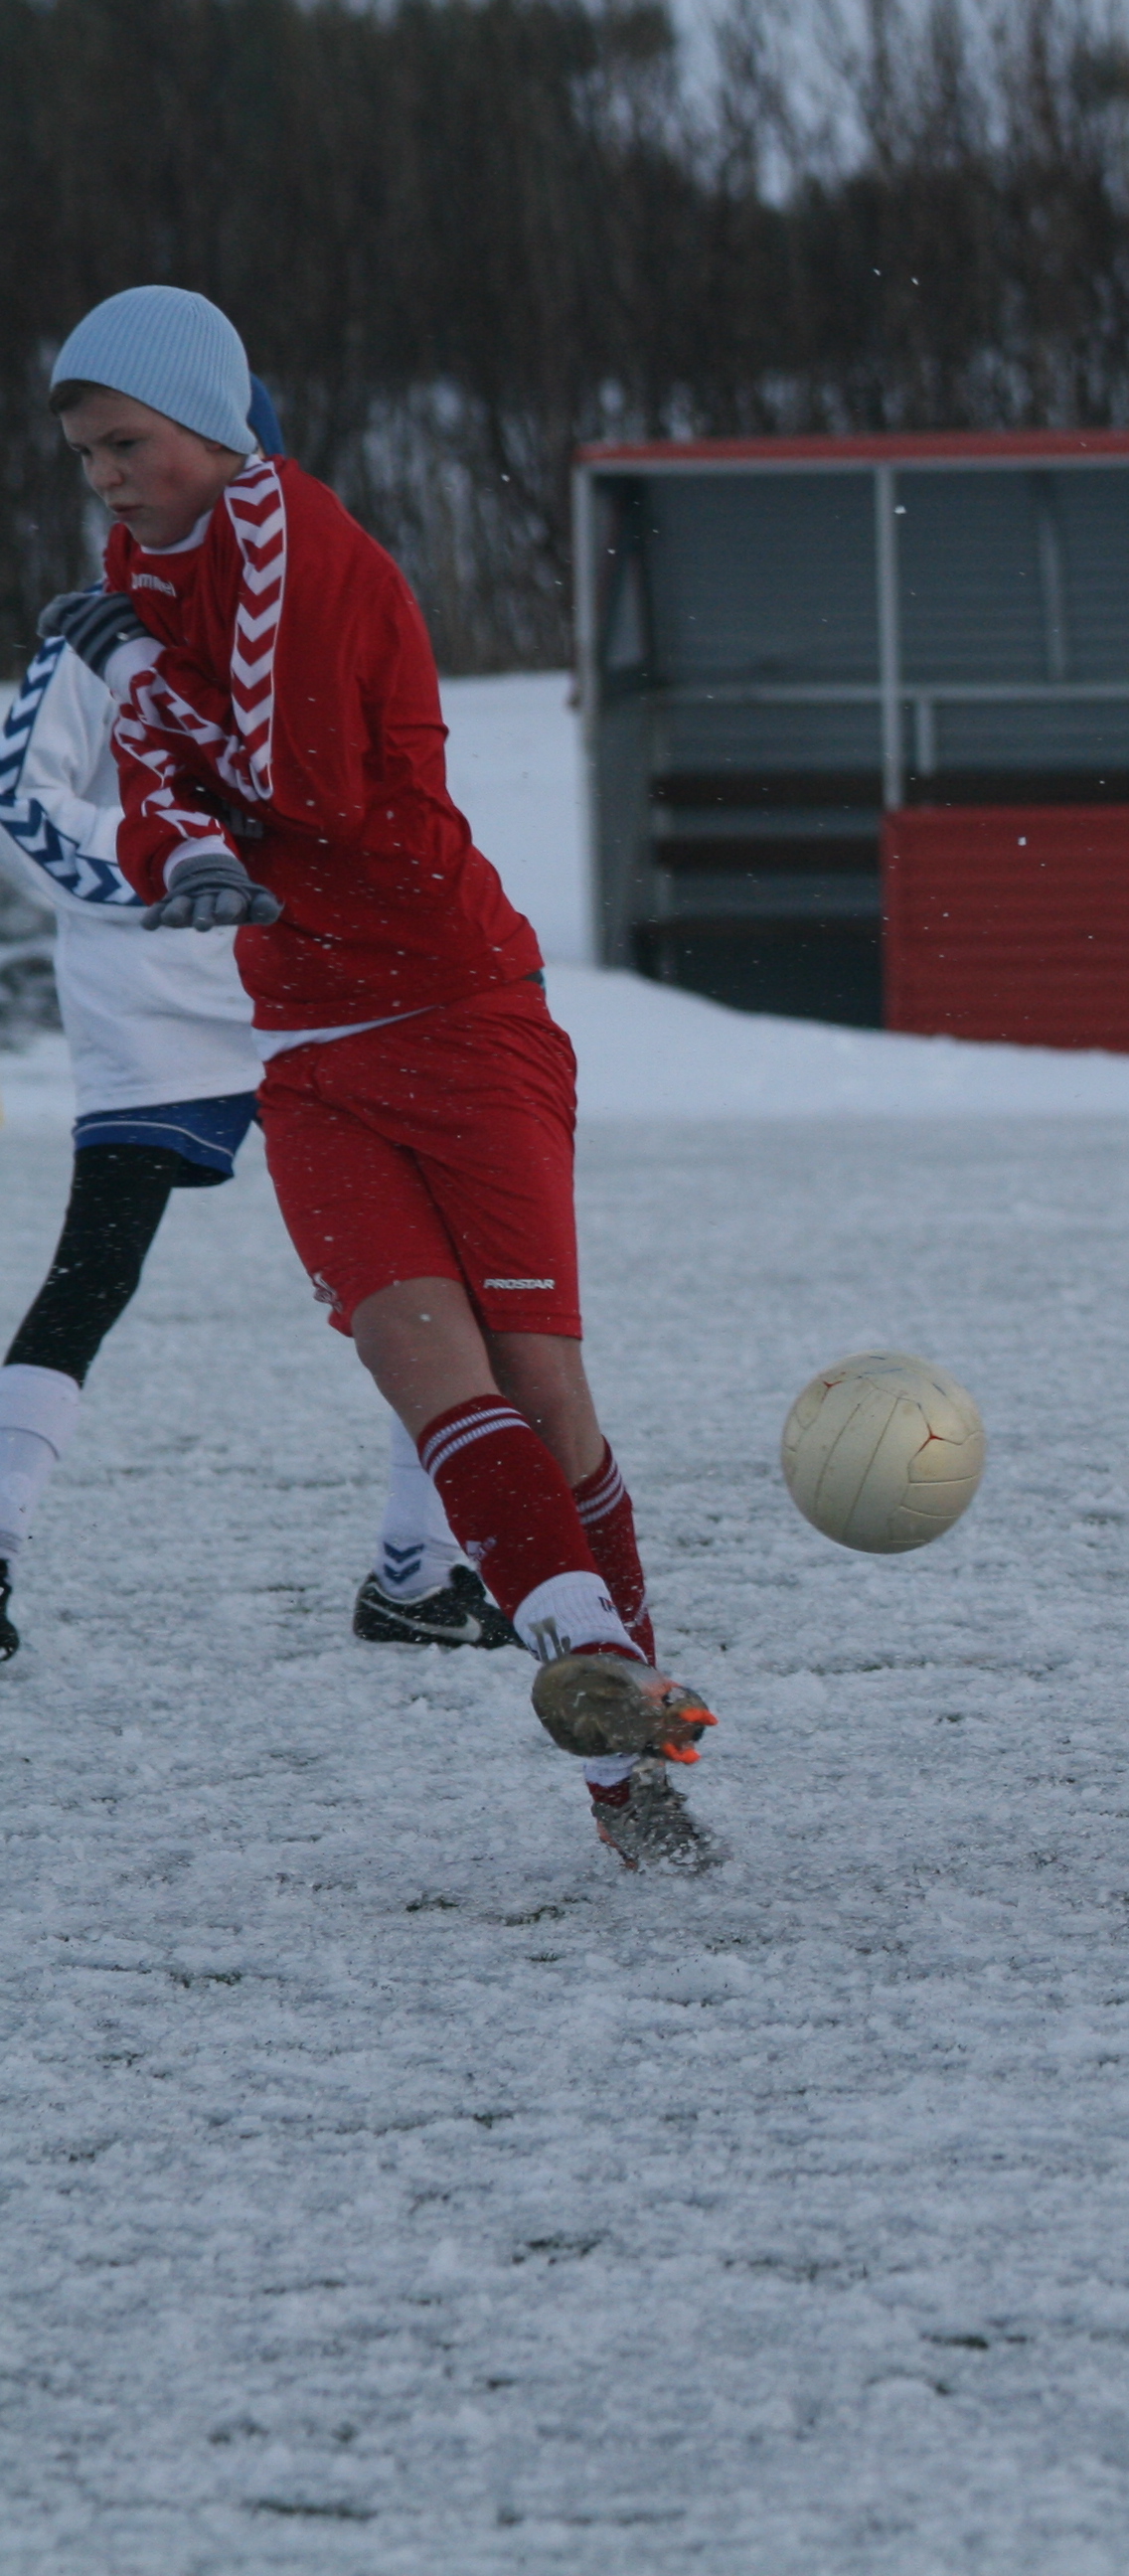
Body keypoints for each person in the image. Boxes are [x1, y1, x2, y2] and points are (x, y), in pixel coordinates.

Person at [41, 283, 716, 1869]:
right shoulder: (141, 571)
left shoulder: (303, 546)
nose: (109, 480)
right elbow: (164, 780)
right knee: (428, 1375)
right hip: (308, 1051)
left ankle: (635, 1769)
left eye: (128, 443)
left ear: (212, 423)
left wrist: (143, 690)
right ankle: (593, 1668)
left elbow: (307, 788)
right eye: (86, 457)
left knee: (542, 1394)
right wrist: (182, 852)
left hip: (462, 1015)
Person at [0, 375, 506, 1660]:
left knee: (428, 1281)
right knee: (95, 1271)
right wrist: (163, 881)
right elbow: (24, 799)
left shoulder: (292, 620)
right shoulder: (105, 625)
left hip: (303, 994)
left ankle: (418, 1572)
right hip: (155, 1006)